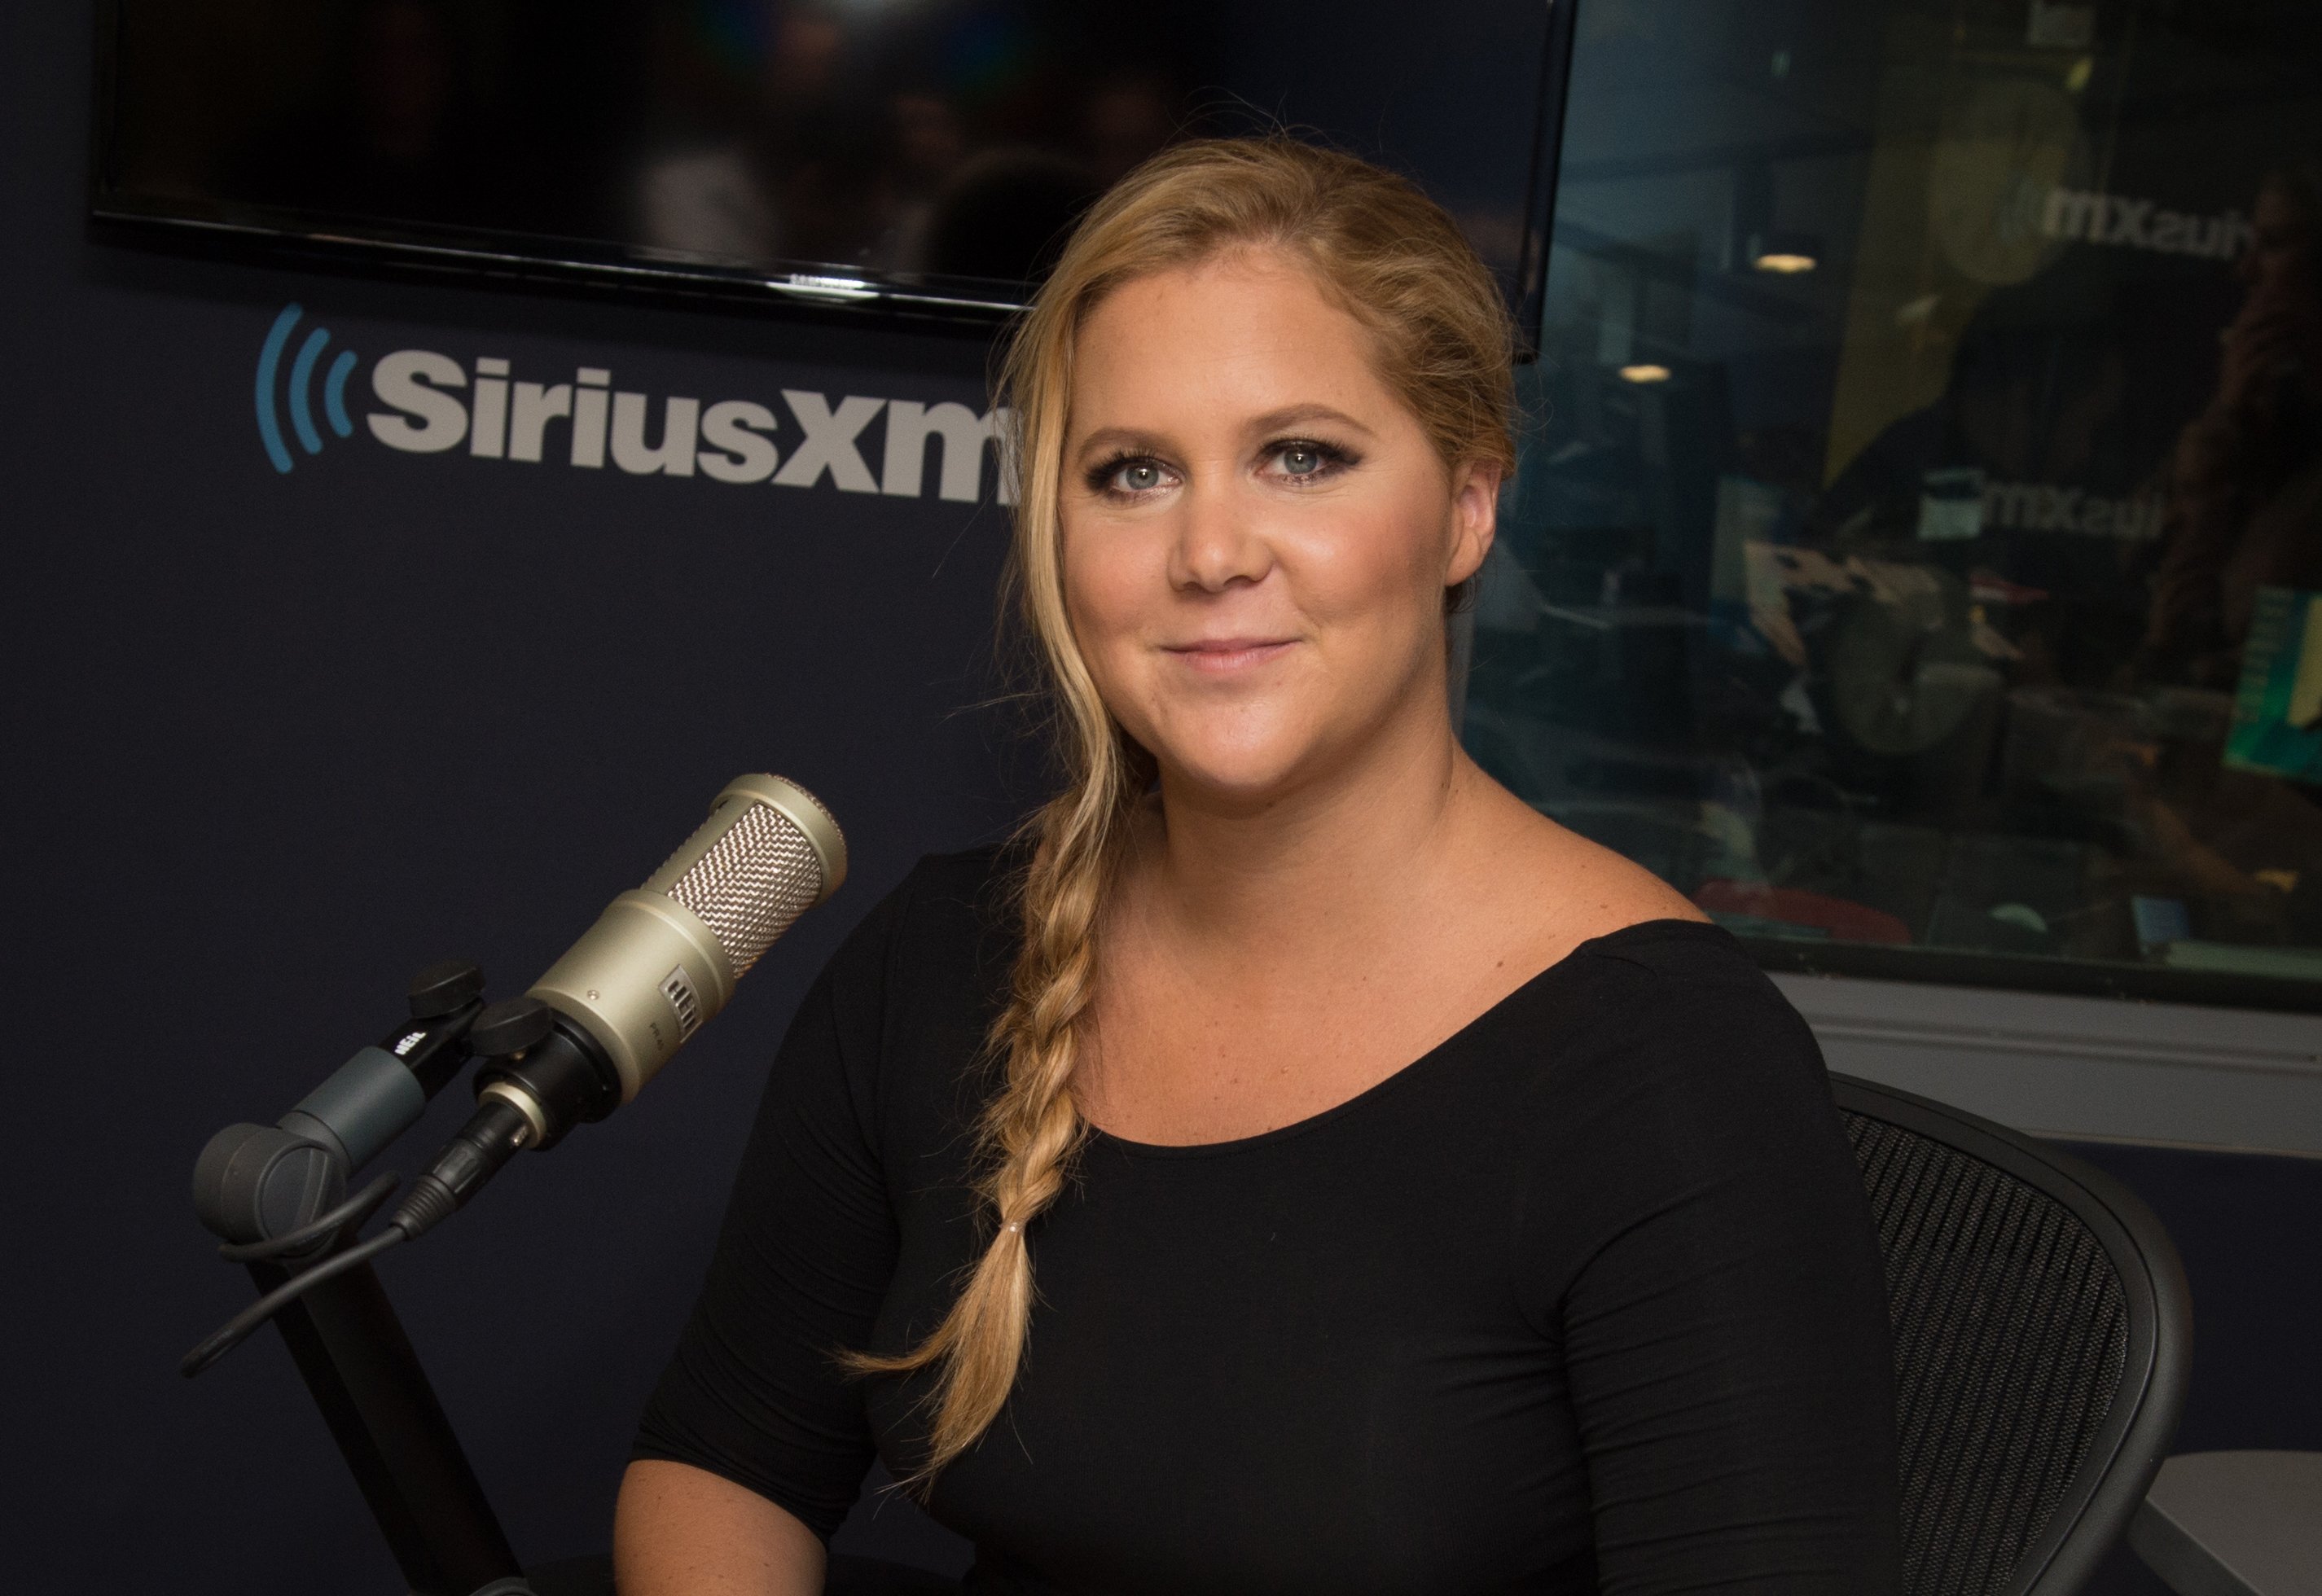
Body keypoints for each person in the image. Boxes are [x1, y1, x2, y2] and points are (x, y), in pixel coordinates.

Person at [613, 137, 1902, 1594]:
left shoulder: (1668, 1071)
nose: (1212, 549)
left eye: (1303, 457)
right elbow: (722, 1464)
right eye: (1133, 473)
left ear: (1470, 505)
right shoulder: (946, 958)